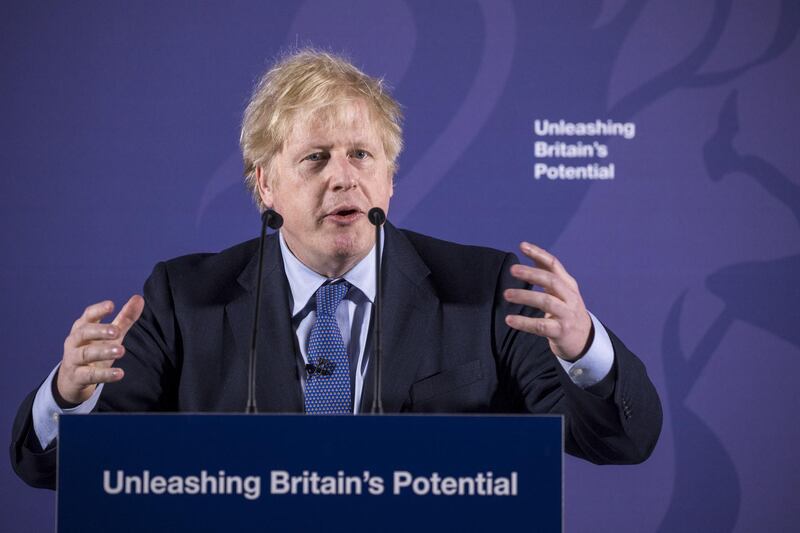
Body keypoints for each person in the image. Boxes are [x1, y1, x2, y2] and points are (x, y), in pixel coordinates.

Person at [11, 49, 662, 489]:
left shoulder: (485, 291)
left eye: (361, 154)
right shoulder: (183, 301)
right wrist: (71, 393)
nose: (344, 177)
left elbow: (621, 440)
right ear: (265, 184)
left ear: (390, 177)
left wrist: (585, 351)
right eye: (316, 157)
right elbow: (53, 468)